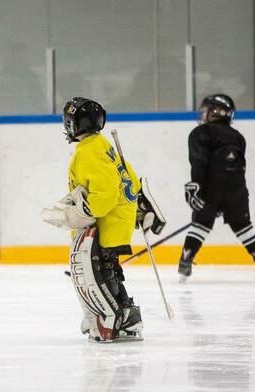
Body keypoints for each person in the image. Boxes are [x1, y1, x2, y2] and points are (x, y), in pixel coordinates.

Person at [41, 97, 164, 342]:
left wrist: (83, 214)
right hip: (118, 220)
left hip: (106, 223)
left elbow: (106, 192)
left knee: (101, 273)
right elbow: (126, 175)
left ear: (72, 125)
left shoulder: (87, 152)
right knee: (109, 271)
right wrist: (138, 206)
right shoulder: (102, 145)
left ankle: (114, 317)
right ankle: (127, 314)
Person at [178, 93, 255, 281]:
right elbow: (239, 167)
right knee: (244, 226)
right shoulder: (238, 137)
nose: (203, 114)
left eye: (205, 110)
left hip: (210, 187)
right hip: (237, 191)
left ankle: (185, 262)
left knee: (200, 224)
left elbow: (199, 161)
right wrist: (227, 199)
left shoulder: (201, 132)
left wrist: (195, 187)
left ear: (216, 112)